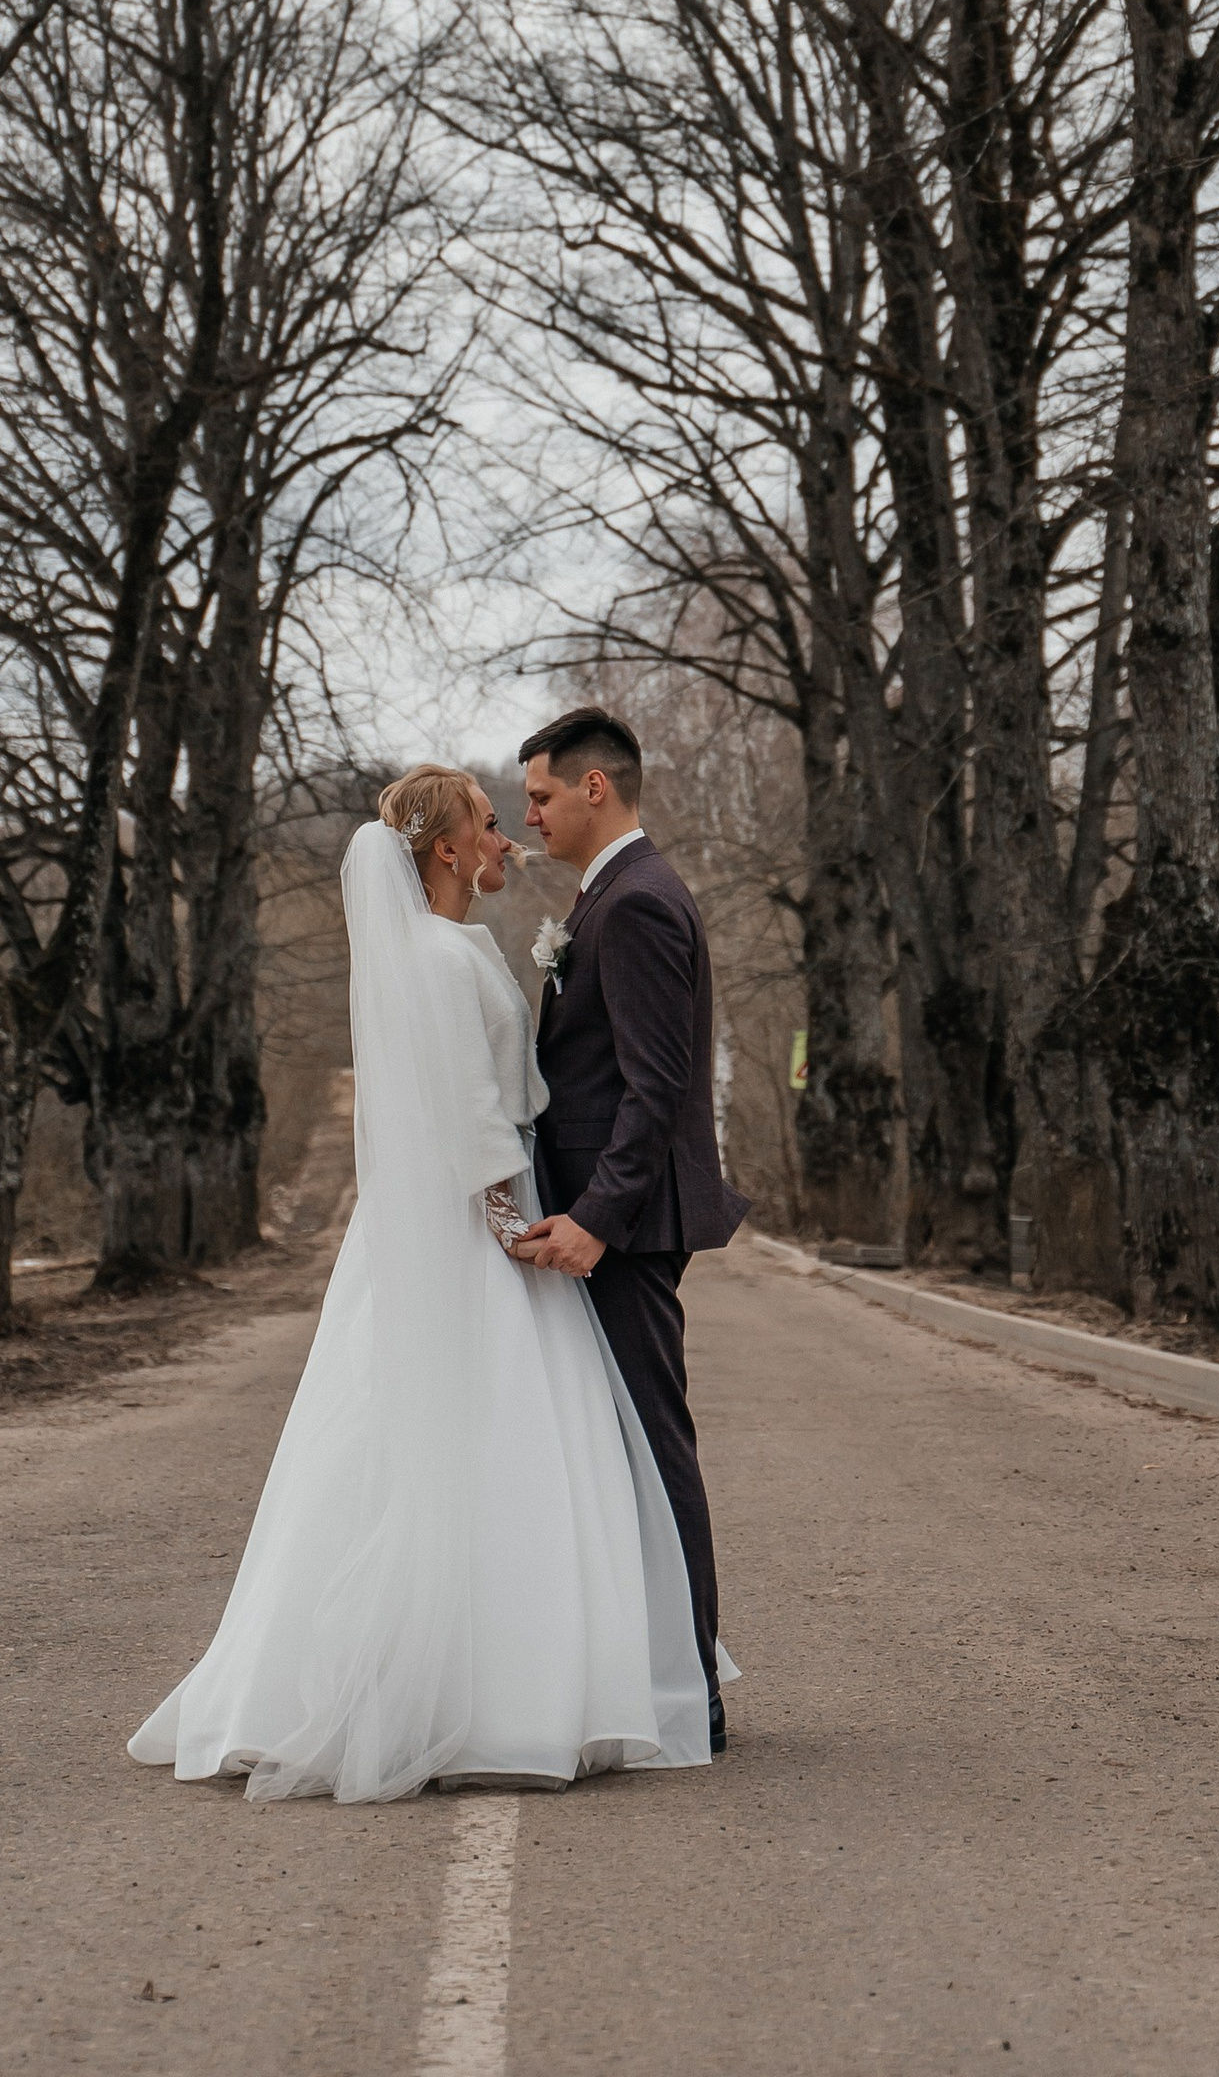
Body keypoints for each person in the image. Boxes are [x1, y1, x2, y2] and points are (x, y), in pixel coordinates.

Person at [125, 764, 726, 1802]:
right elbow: (466, 1111)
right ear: (445, 849)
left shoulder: (453, 946)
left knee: (451, 1443)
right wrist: (511, 1228)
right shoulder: (441, 960)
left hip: (458, 1214)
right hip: (479, 1224)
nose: (510, 841)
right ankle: (493, 1689)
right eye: (492, 826)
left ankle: (497, 1669)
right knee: (493, 1447)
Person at [510, 707, 749, 1751]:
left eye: (541, 794)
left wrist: (597, 1221)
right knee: (621, 1452)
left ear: (594, 786)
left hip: (629, 1221)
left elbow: (655, 1091)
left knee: (654, 1448)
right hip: (604, 1213)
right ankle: (644, 1671)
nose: (530, 814)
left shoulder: (640, 902)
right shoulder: (607, 896)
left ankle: (688, 1686)